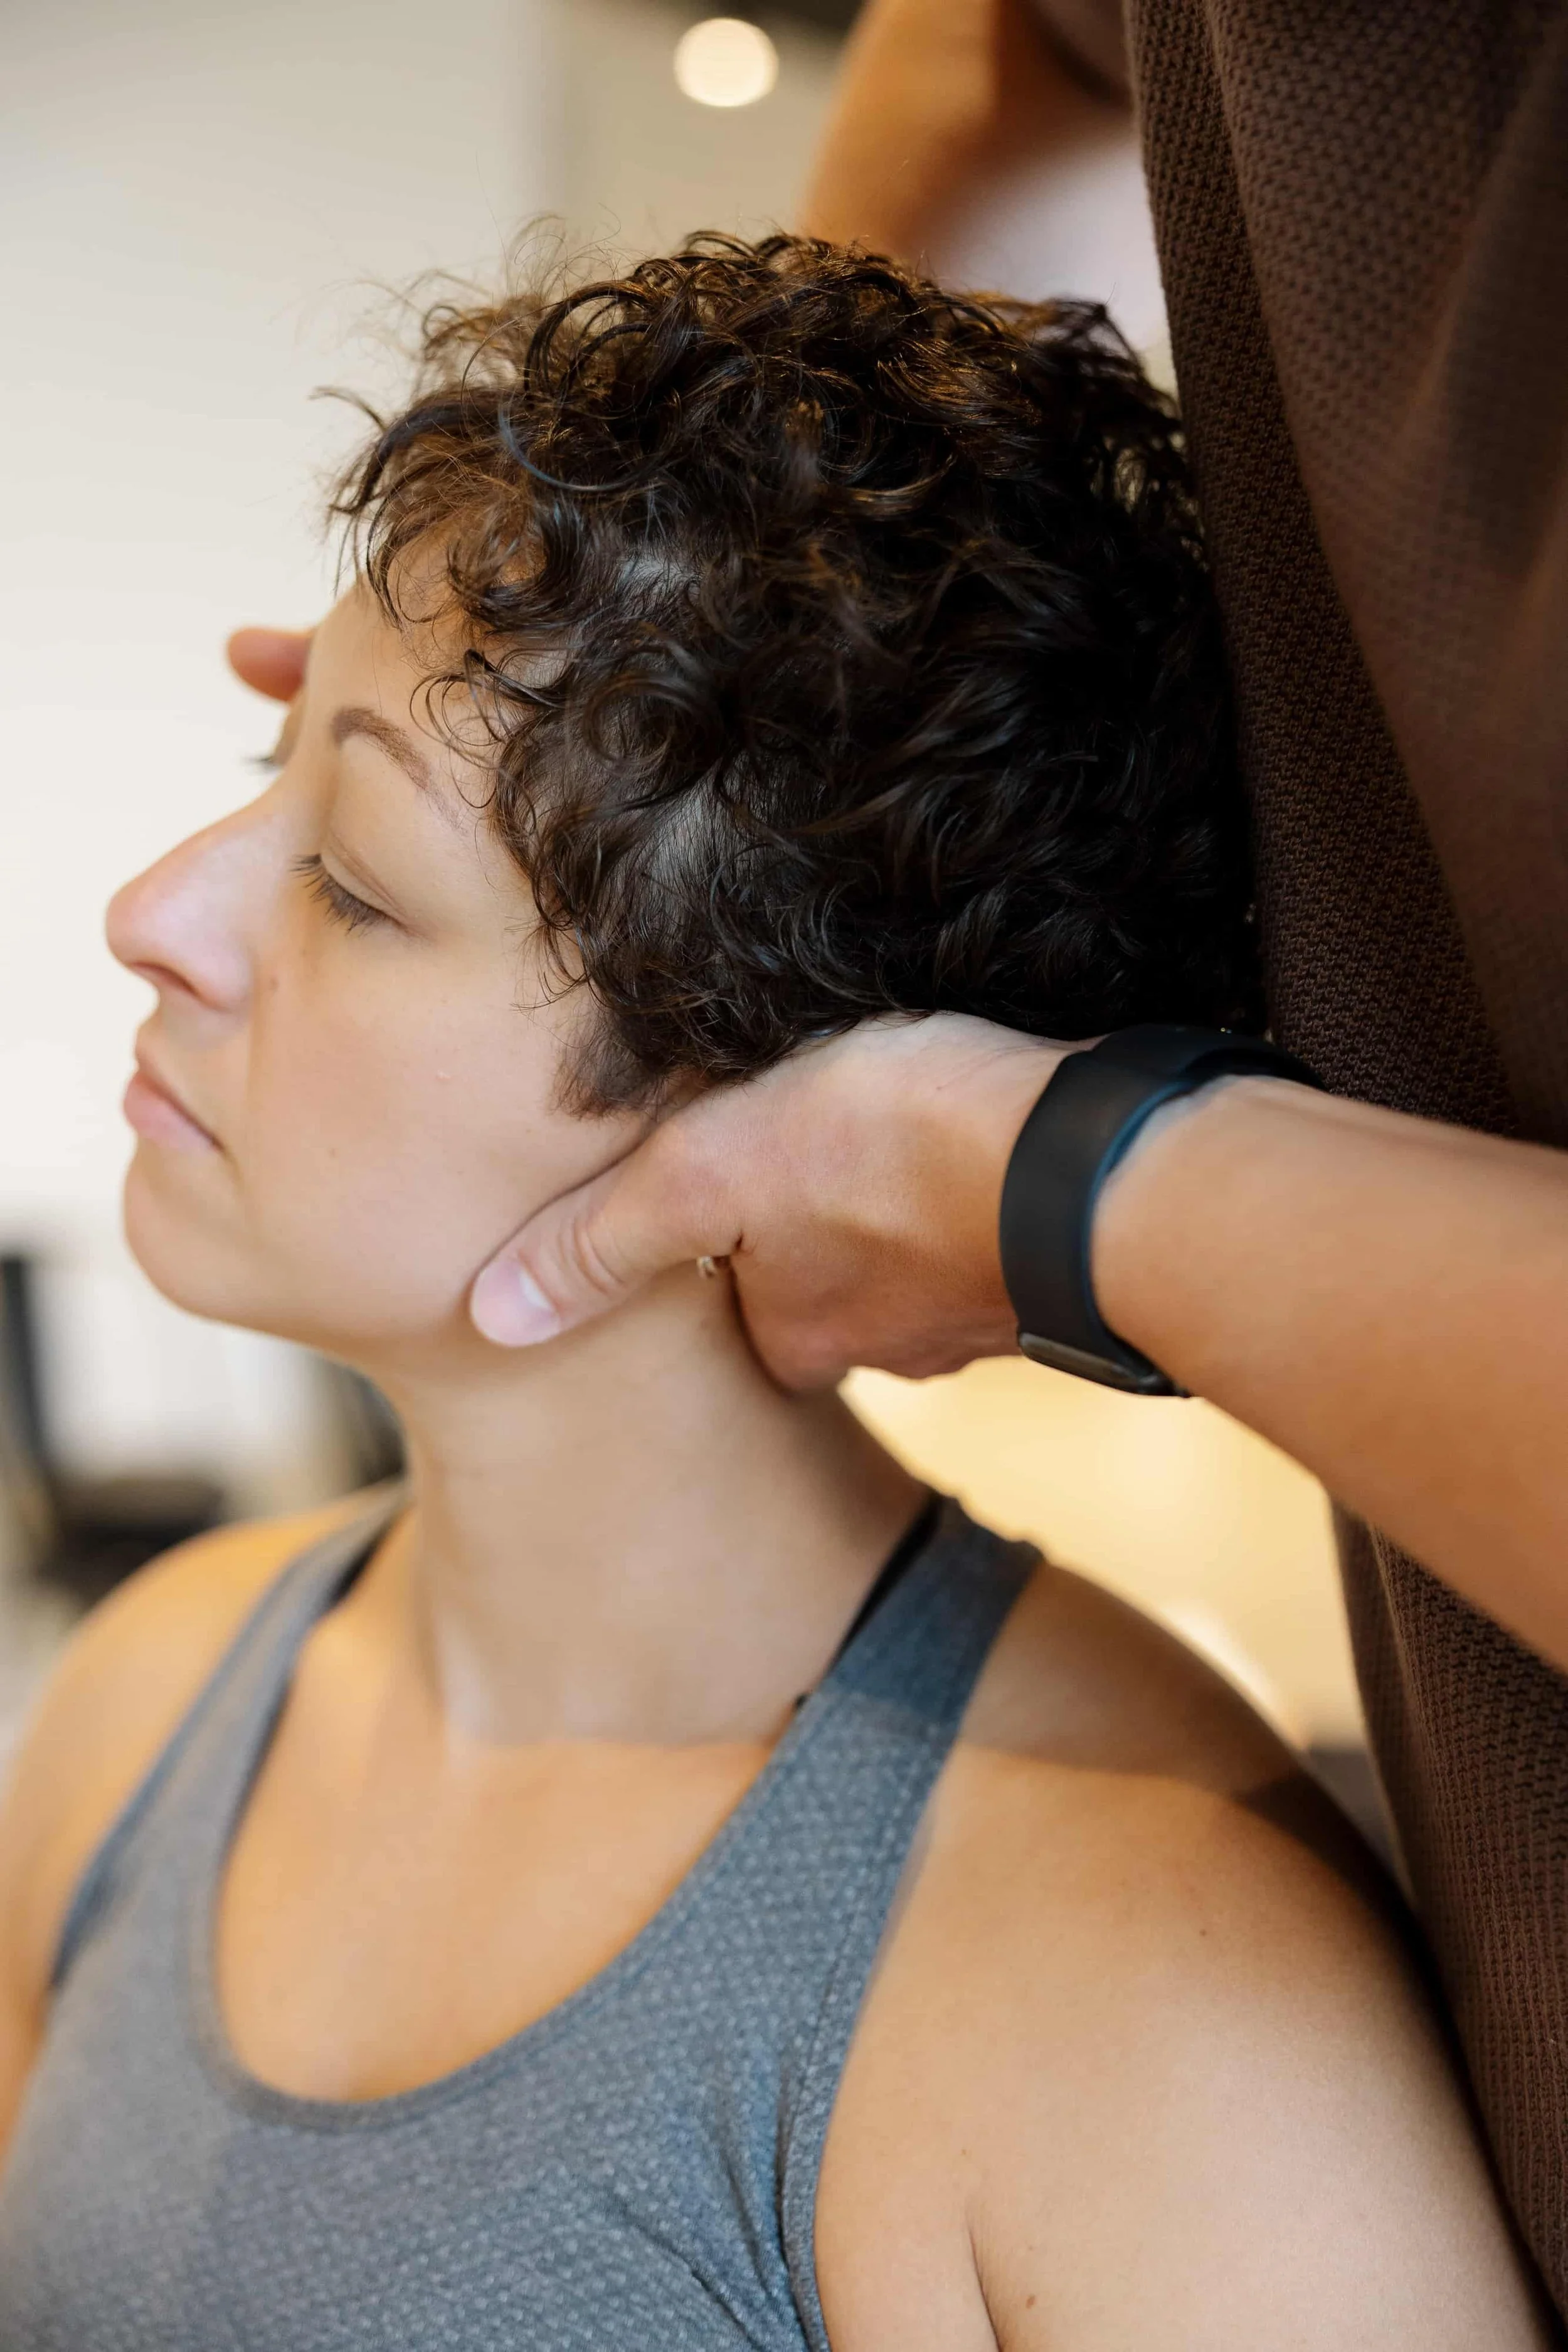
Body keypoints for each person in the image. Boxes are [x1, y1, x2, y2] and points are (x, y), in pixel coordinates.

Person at [0, 238, 1549, 2347]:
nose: (147, 913)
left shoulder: (1150, 1982)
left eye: (352, 880)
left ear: (775, 1088)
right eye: (260, 774)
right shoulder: (146, 1707)